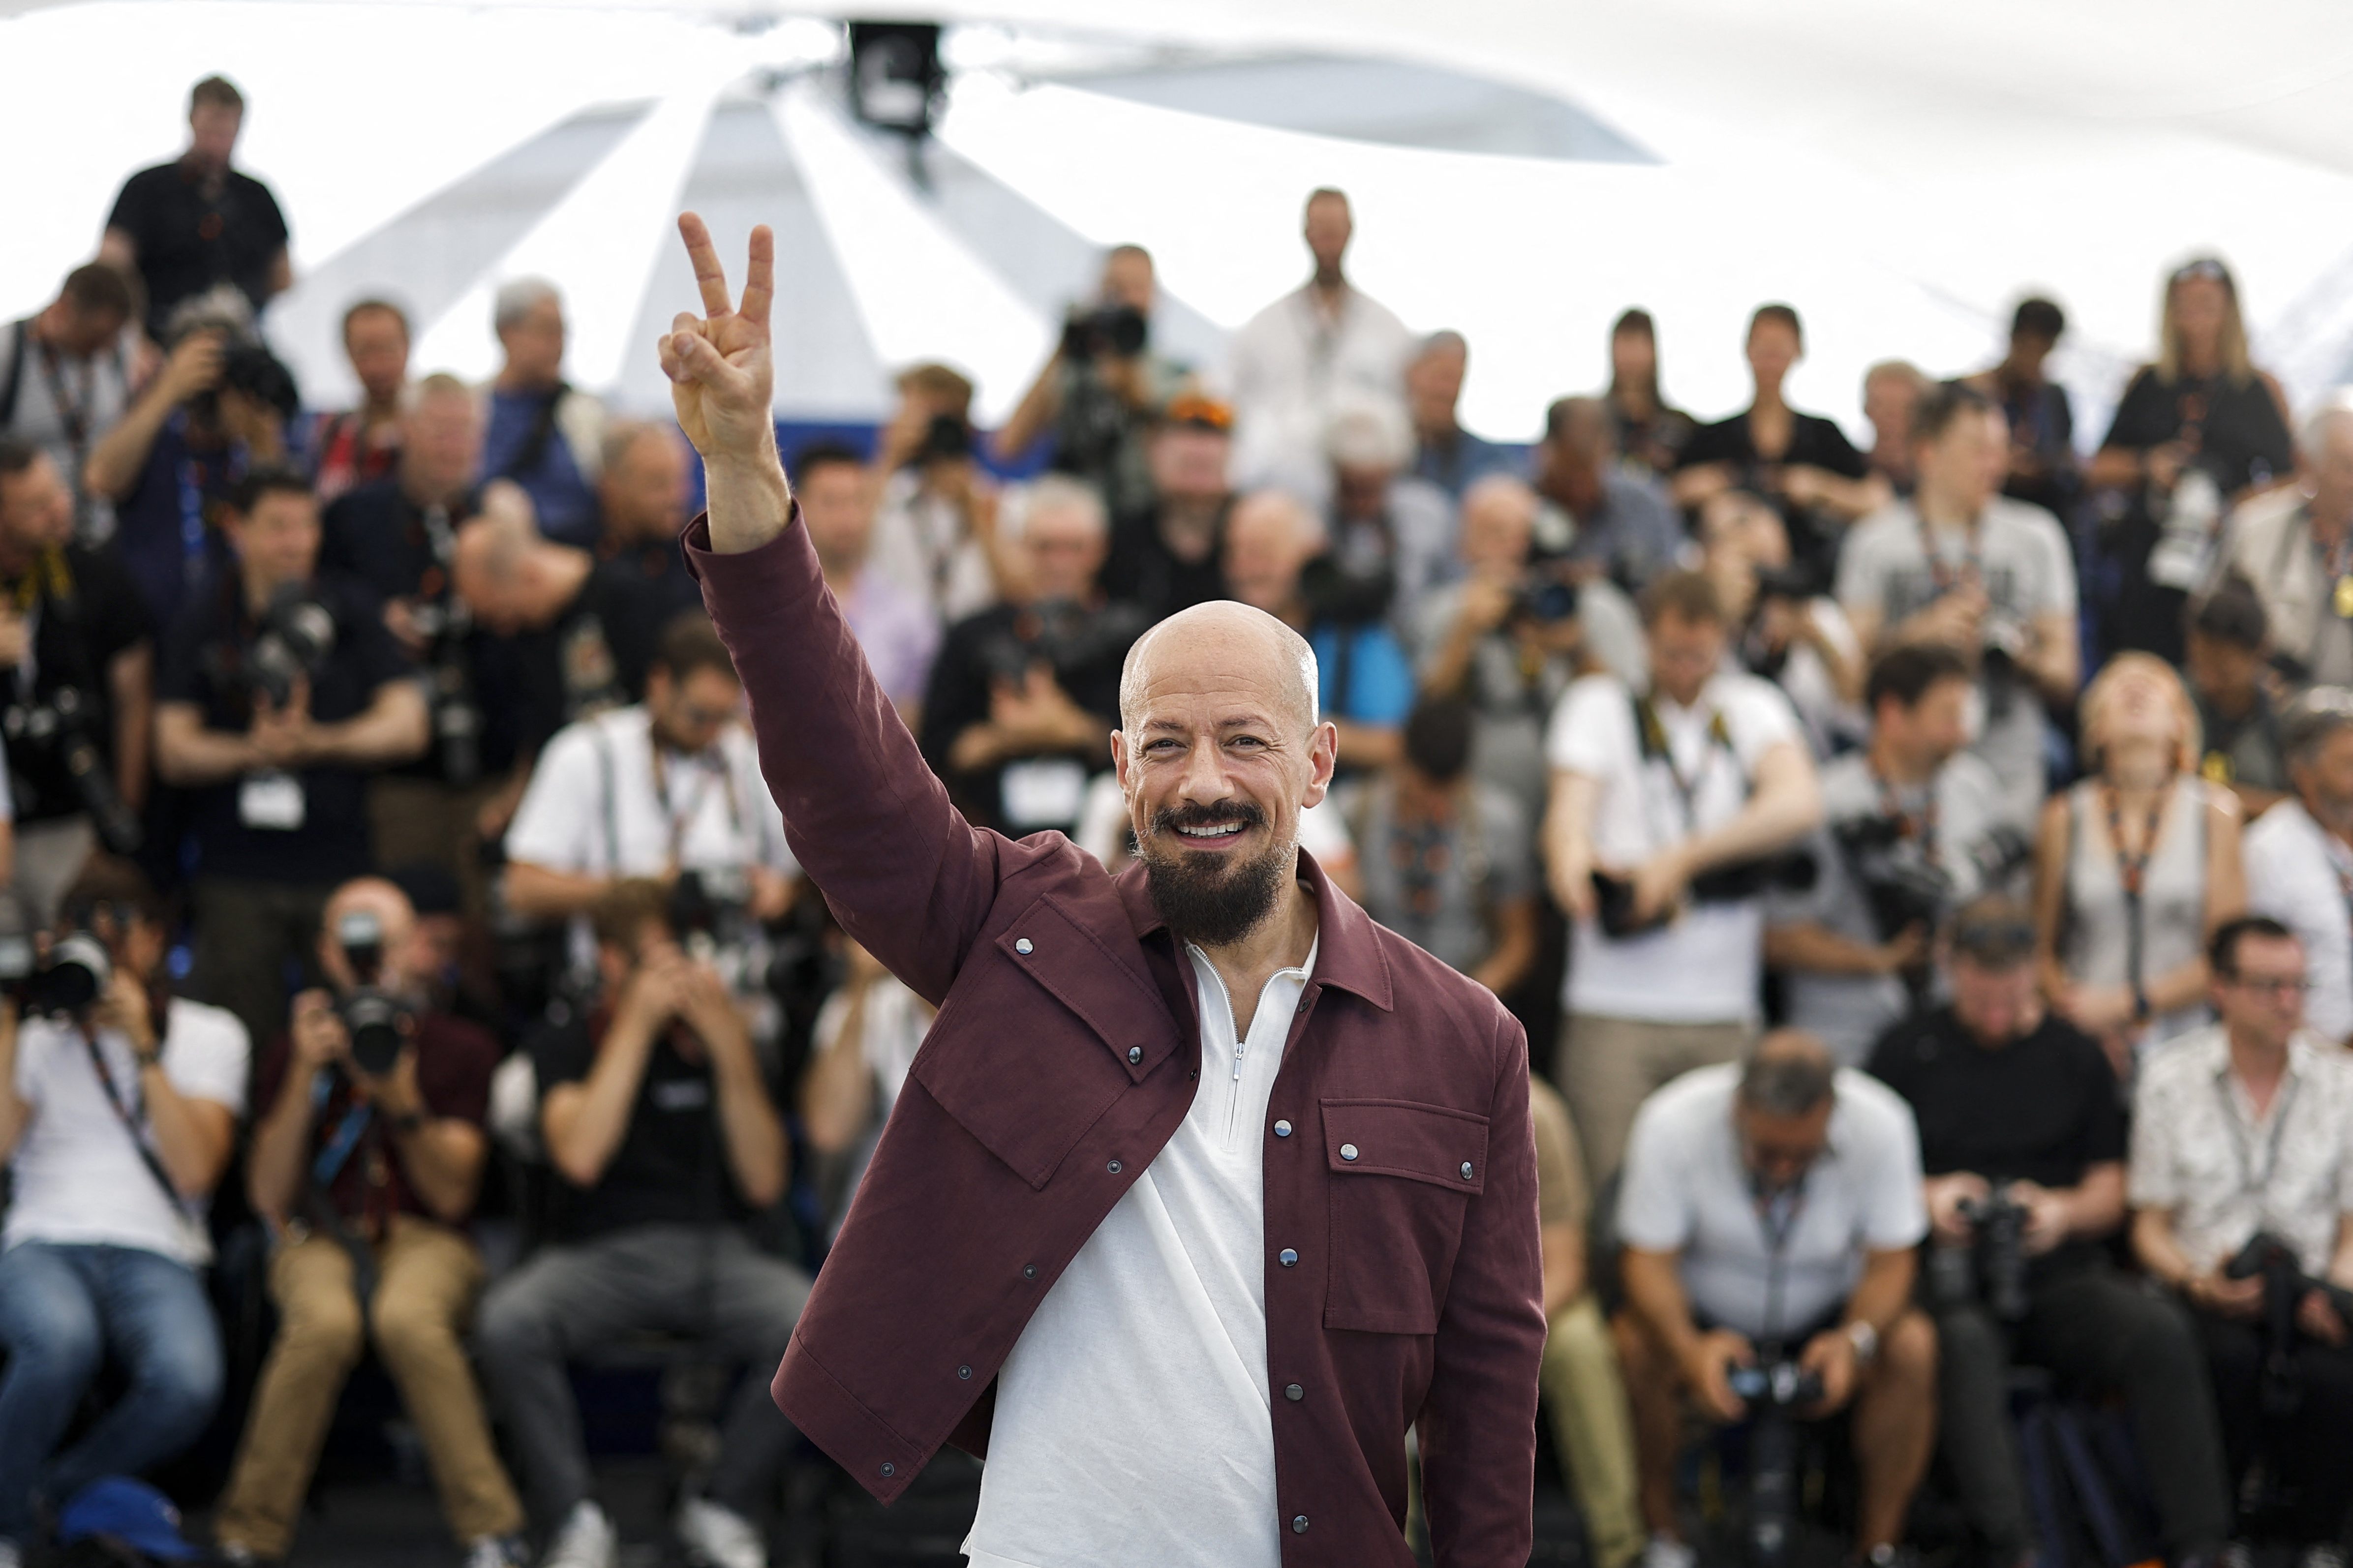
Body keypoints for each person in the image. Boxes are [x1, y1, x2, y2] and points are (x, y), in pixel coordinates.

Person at [659, 213, 1543, 1564]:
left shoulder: (1462, 1043)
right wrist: (742, 474)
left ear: (1313, 765)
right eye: (1168, 745)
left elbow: (1486, 1411)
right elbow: (846, 781)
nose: (1204, 780)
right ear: (1120, 766)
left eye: (1244, 740)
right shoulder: (1022, 930)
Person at [1869, 902, 2232, 1568]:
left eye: (2010, 982)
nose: (1996, 999)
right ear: (1952, 969)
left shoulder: (2073, 1056)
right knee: (1961, 1342)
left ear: (2035, 973)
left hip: (2054, 1268)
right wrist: (1928, 1199)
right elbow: (1864, 1178)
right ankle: (2015, 1545)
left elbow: (2112, 1186)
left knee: (2155, 1330)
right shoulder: (1904, 1050)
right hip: (1946, 1273)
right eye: (1981, 981)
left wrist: (2059, 1212)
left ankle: (2200, 1542)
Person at [478, 879, 807, 1568]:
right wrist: (633, 1025)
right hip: (598, 1254)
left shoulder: (723, 1034)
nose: (673, 980)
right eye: (650, 962)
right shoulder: (568, 1040)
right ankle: (575, 1519)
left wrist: (727, 1046)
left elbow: (765, 1180)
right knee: (508, 1324)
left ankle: (722, 1505)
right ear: (608, 962)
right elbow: (580, 1156)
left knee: (818, 1326)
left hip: (717, 1249)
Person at [214, 877, 524, 1568]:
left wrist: (401, 1097)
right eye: (353, 946)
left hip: (429, 1238)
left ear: (413, 948)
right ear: (327, 952)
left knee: (407, 1318)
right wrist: (302, 1074)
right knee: (323, 1322)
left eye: (382, 945)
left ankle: (490, 1531)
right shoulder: (294, 1045)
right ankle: (248, 1535)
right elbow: (268, 1194)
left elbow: (452, 1197)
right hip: (319, 1236)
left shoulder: (459, 1046)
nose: (368, 961)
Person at [0, 862, 248, 1568]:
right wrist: (17, 1013)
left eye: (120, 927)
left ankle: (42, 1494)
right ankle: (10, 1527)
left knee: (189, 1379)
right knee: (58, 1342)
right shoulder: (33, 1033)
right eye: (87, 928)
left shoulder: (208, 1033)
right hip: (43, 1237)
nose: (104, 945)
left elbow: (197, 1170)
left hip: (155, 1242)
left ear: (154, 939)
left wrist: (141, 1042)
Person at [1613, 1032, 1936, 1568]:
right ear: (1739, 1107)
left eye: (1802, 1153)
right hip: (1705, 1316)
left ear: (1831, 1113)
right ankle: (1664, 1539)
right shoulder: (1672, 1119)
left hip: (1831, 1315)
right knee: (1634, 1342)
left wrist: (1855, 1341)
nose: (1784, 1167)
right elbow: (1646, 1261)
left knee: (1912, 1346)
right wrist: (1688, 1346)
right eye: (1767, 1151)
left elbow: (1893, 1260)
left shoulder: (1883, 1120)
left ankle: (1877, 1549)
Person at [1542, 569, 1823, 1183]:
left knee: (1722, 1181)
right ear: (1645, 640)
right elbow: (1567, 820)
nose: (1686, 667)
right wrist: (1581, 874)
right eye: (1672, 652)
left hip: (1722, 1004)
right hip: (1613, 1001)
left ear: (1723, 640)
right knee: (1610, 1185)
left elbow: (1798, 800)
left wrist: (1678, 863)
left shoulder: (1751, 704)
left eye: (1700, 653)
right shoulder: (1600, 703)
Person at [153, 468, 428, 1051]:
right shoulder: (205, 614)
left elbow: (408, 724)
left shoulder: (349, 606)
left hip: (340, 862)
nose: (295, 542)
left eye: (306, 525)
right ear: (237, 529)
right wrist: (252, 752)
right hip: (236, 870)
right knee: (239, 1030)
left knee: (356, 1021)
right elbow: (173, 747)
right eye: (277, 527)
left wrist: (317, 743)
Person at [2131, 916, 2353, 1566]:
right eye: (2266, 986)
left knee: (2334, 1374)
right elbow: (2148, 1225)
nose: (2286, 1002)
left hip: (2312, 1285)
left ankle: (2317, 1543)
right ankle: (2216, 1539)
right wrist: (2193, 1281)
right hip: (2207, 1283)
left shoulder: (2340, 1082)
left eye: (2295, 986)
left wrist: (2332, 1295)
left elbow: (2350, 1226)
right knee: (2215, 1359)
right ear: (2219, 989)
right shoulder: (2168, 1078)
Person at [1839, 382, 2079, 831]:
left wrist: (2015, 653)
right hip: (1904, 779)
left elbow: (2065, 672)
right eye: (1979, 450)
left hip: (2008, 771)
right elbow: (1848, 680)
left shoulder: (2036, 536)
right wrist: (1918, 639)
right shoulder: (1874, 542)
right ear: (1928, 453)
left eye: (2001, 450)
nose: (1996, 465)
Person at [1767, 645, 2016, 1065]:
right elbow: (1778, 938)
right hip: (1842, 1034)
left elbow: (1999, 908)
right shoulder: (1824, 802)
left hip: (1947, 1039)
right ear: (1893, 713)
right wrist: (1881, 960)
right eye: (1947, 716)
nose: (1961, 733)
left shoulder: (1976, 790)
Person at [501, 612, 797, 935]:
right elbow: (521, 888)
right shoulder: (587, 753)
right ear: (660, 683)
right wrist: (636, 894)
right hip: (627, 972)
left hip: (737, 969)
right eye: (698, 716)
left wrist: (780, 890)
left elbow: (800, 872)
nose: (712, 733)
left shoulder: (746, 756)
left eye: (723, 718)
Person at [2032, 653, 2244, 1073]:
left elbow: (2227, 954)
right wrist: (2080, 1014)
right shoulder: (2062, 815)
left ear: (2181, 724)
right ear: (2095, 730)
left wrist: (2125, 1006)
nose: (2135, 687)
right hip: (2085, 1042)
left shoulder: (2215, 813)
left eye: (2153, 682)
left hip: (2185, 1043)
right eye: (2118, 685)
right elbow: (2040, 951)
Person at [2086, 256, 2295, 664]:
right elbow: (2097, 467)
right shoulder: (2149, 382)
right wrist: (2148, 465)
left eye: (2205, 304)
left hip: (2224, 564)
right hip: (2149, 559)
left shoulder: (2256, 389)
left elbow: (2294, 479)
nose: (2193, 317)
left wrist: (2236, 506)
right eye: (2182, 305)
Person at [917, 477, 1145, 840]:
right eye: (1044, 547)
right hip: (985, 834)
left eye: (1073, 547)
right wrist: (1010, 737)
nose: (1059, 563)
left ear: (1100, 550)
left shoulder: (1134, 639)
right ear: (1019, 547)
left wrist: (1070, 728)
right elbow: (935, 750)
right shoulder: (973, 636)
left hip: (1108, 834)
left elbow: (1155, 748)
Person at [1414, 474, 1645, 825]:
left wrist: (1575, 647)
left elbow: (1625, 711)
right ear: (1465, 544)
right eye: (1496, 534)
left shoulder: (1589, 605)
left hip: (1581, 802)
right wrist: (1466, 632)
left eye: (1525, 533)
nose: (1515, 548)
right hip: (1480, 806)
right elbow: (1426, 715)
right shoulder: (1446, 611)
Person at [447, 482, 667, 849]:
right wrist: (511, 803)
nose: (502, 629)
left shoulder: (625, 599)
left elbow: (661, 704)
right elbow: (539, 730)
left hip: (634, 801)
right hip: (567, 804)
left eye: (501, 614)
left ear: (530, 573)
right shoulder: (529, 635)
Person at [0, 439, 154, 928]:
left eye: (59, 493)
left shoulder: (97, 574)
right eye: (37, 506)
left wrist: (119, 821)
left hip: (74, 820)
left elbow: (135, 701)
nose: (59, 510)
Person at [83, 318, 298, 631]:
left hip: (231, 631)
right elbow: (100, 479)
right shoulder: (156, 435)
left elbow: (286, 519)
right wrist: (166, 391)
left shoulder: (258, 443)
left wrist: (260, 442)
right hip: (147, 627)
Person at [1330, 696, 1539, 996]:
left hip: (1463, 1001)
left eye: (1448, 789)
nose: (1435, 802)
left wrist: (1472, 998)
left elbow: (1518, 940)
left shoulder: (1499, 823)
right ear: (1401, 758)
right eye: (1425, 786)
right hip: (1368, 1000)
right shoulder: (1352, 814)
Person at [1226, 188, 1416, 506]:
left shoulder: (1388, 327)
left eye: (1336, 230)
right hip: (1282, 479)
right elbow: (1238, 401)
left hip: (1366, 488)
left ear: (1350, 232)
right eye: (1321, 229)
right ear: (1306, 233)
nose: (1328, 240)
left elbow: (1404, 411)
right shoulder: (1263, 328)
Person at [1527, 1071, 1643, 1568]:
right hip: (1396, 1309)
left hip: (1519, 1304)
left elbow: (1566, 1260)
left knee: (1581, 1346)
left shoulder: (1535, 1109)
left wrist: (1498, 1329)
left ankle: (1620, 1544)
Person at [1672, 304, 1884, 573]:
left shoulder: (1823, 435)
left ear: (1797, 352)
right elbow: (1665, 494)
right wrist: (1700, 487)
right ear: (1748, 350)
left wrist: (1820, 488)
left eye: (1779, 349)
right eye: (1763, 348)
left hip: (1808, 579)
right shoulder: (1714, 437)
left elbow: (1876, 500)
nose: (1771, 360)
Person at [993, 243, 1189, 521]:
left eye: (1137, 288)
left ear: (1155, 298)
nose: (1126, 300)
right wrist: (1064, 348)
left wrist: (1130, 387)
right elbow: (1008, 447)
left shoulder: (1176, 375)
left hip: (1141, 522)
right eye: (1115, 288)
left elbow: (1178, 466)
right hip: (1071, 522)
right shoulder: (1074, 370)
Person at [1223, 488, 1414, 772]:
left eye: (1263, 552)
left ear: (1312, 556)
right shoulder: (1216, 637)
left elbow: (1395, 744)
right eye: (1236, 551)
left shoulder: (1353, 635)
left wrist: (1291, 727)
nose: (1246, 568)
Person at [99, 76, 291, 338]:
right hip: (160, 342)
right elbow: (111, 268)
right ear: (192, 121)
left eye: (227, 131)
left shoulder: (257, 197)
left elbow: (283, 279)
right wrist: (135, 340)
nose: (218, 142)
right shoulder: (147, 189)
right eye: (211, 128)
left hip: (242, 340)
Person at [1699, 489, 1865, 759]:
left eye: (1761, 522)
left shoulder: (1816, 614)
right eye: (1739, 526)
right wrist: (1723, 616)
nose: (1753, 537)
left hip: (1819, 760)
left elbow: (1858, 712)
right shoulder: (1702, 619)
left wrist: (1818, 642)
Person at [2213, 391, 2353, 688]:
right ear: (2306, 463)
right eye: (2348, 468)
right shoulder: (2253, 529)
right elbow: (2215, 631)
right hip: (2269, 709)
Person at [798, 937, 932, 1241]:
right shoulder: (875, 1002)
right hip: (885, 1226)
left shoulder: (1002, 998)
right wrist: (859, 989)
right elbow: (829, 1131)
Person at [792, 440, 938, 719]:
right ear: (799, 506)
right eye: (831, 502)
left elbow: (913, 719)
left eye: (857, 501)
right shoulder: (768, 607)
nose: (847, 518)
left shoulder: (909, 614)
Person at [2243, 688, 2353, 1046]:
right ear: (2302, 772)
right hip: (2309, 1058)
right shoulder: (2268, 850)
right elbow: (2257, 974)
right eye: (2347, 765)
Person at [0, 263, 138, 543]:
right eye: (96, 336)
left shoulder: (117, 353)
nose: (106, 347)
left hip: (97, 535)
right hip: (27, 543)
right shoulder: (10, 350)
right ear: (63, 309)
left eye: (114, 336)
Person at [477, 279, 606, 549]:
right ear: (507, 334)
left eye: (562, 331)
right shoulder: (473, 410)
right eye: (547, 330)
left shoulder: (586, 412)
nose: (558, 344)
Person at [1321, 398, 1457, 638]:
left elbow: (1449, 590)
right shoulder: (1313, 515)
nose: (1360, 502)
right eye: (1350, 489)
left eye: (1370, 489)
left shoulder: (1429, 516)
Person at [1099, 392, 1234, 624]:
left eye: (1212, 435)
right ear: (1151, 451)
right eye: (1183, 433)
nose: (1199, 447)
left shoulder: (1258, 540)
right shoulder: (1117, 544)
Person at [1532, 395, 1683, 592]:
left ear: (1608, 452)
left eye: (1587, 473)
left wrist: (1612, 578)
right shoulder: (1515, 507)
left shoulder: (1645, 502)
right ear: (1545, 454)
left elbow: (1671, 583)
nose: (1579, 490)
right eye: (1570, 474)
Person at [1964, 297, 2077, 520]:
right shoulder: (1972, 394)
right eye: (2030, 348)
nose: (2034, 361)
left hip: (2040, 510)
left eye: (2044, 352)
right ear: (2014, 339)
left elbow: (2066, 457)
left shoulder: (2052, 399)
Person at [2185, 578, 2288, 816]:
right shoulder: (2175, 697)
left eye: (2224, 673)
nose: (2208, 682)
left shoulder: (2282, 719)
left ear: (2261, 654)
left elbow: (2302, 807)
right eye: (2198, 665)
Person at [308, 299, 410, 505]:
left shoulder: (431, 431)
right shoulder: (331, 432)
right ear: (348, 354)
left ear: (407, 346)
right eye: (365, 352)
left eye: (388, 349)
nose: (377, 366)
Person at [594, 421, 699, 620]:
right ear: (610, 486)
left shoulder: (701, 554)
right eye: (658, 484)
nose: (676, 497)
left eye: (681, 480)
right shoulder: (573, 553)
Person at [1407, 331, 1514, 499]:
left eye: (1455, 380)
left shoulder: (1487, 460)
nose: (1446, 391)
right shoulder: (1384, 451)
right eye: (1441, 377)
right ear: (1413, 374)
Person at [1602, 308, 1694, 482]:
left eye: (1640, 344)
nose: (1632, 355)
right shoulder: (1592, 425)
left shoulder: (1679, 427)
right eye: (1625, 343)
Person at [1861, 361, 1932, 498]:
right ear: (1867, 410)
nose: (1889, 418)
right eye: (1880, 405)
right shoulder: (1847, 471)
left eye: (1902, 408)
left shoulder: (1937, 483)